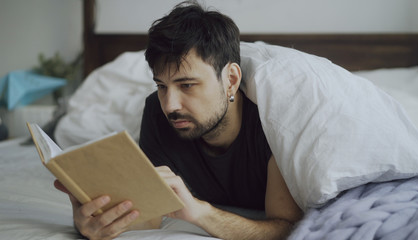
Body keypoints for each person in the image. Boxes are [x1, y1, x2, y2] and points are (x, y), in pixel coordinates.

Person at [55, 1, 303, 239]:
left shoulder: (269, 121)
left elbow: (287, 228)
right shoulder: (156, 111)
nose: (170, 106)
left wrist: (201, 213)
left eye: (187, 85)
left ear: (231, 80)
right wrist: (92, 225)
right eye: (162, 86)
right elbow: (150, 216)